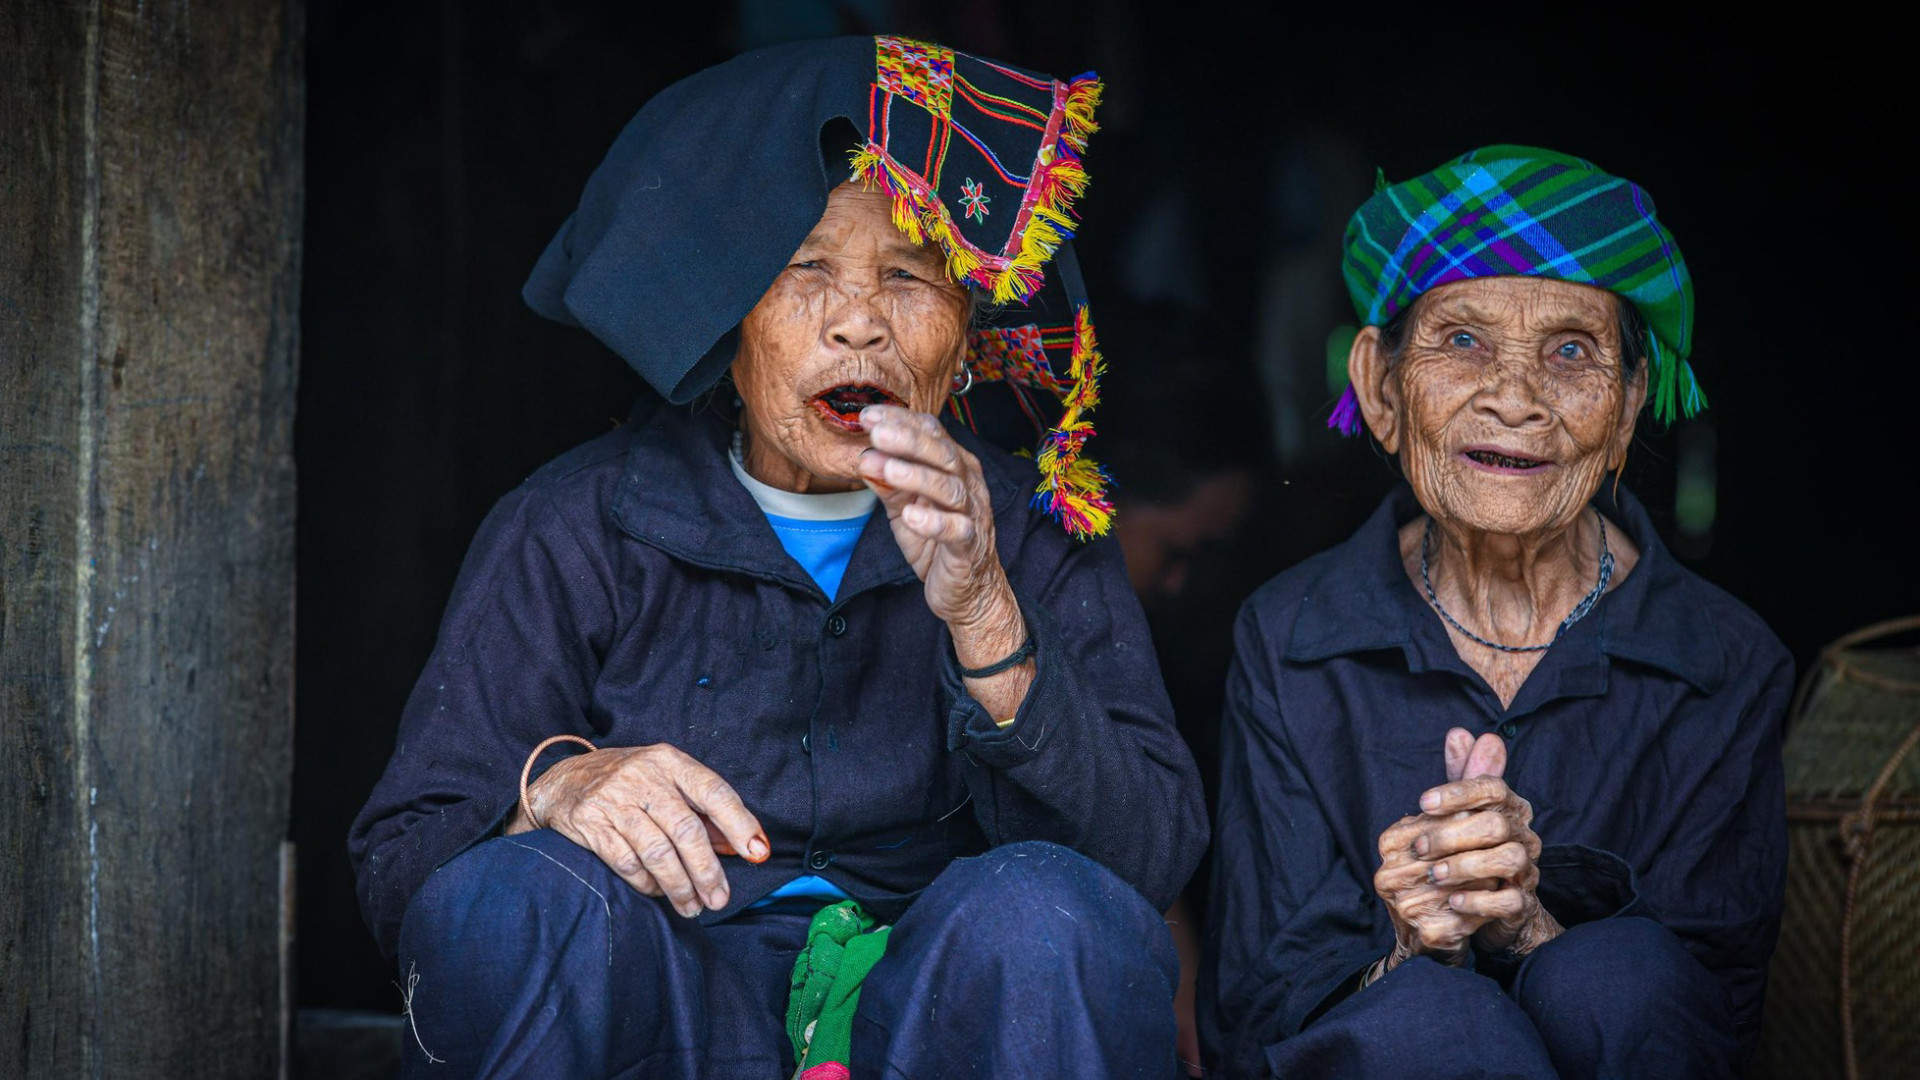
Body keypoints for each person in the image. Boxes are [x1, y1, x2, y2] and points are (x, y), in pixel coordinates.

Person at [348, 36, 1205, 1080]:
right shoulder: (573, 525)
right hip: (667, 1023)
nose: (859, 326)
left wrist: (985, 611)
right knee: (512, 899)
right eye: (806, 269)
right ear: (732, 316)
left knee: (1049, 915)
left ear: (965, 331)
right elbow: (405, 869)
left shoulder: (1027, 530)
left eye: (910, 275)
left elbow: (1148, 863)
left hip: (932, 1026)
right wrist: (555, 787)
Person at [1201, 147, 1790, 1079]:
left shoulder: (1725, 661)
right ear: (1381, 388)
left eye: (1571, 351)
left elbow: (1711, 1021)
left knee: (1616, 975)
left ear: (1627, 408)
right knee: (1428, 1022)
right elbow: (1253, 1016)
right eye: (1464, 341)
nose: (1515, 400)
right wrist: (1411, 955)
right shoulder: (1289, 637)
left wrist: (1530, 927)